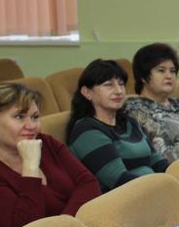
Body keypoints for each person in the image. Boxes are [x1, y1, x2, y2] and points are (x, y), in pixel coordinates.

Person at [0, 83, 101, 227]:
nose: (31, 126)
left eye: (35, 117)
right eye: (19, 117)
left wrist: (65, 226)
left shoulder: (46, 142)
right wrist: (30, 168)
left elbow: (89, 184)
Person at [67, 59, 168, 192]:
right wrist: (163, 187)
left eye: (121, 84)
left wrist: (177, 177)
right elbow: (119, 180)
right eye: (109, 85)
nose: (119, 91)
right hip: (124, 198)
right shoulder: (86, 130)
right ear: (87, 92)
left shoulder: (129, 122)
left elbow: (156, 161)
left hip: (152, 191)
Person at [124, 43, 179, 163]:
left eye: (172, 71)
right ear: (143, 77)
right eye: (161, 70)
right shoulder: (135, 109)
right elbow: (162, 154)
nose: (169, 76)